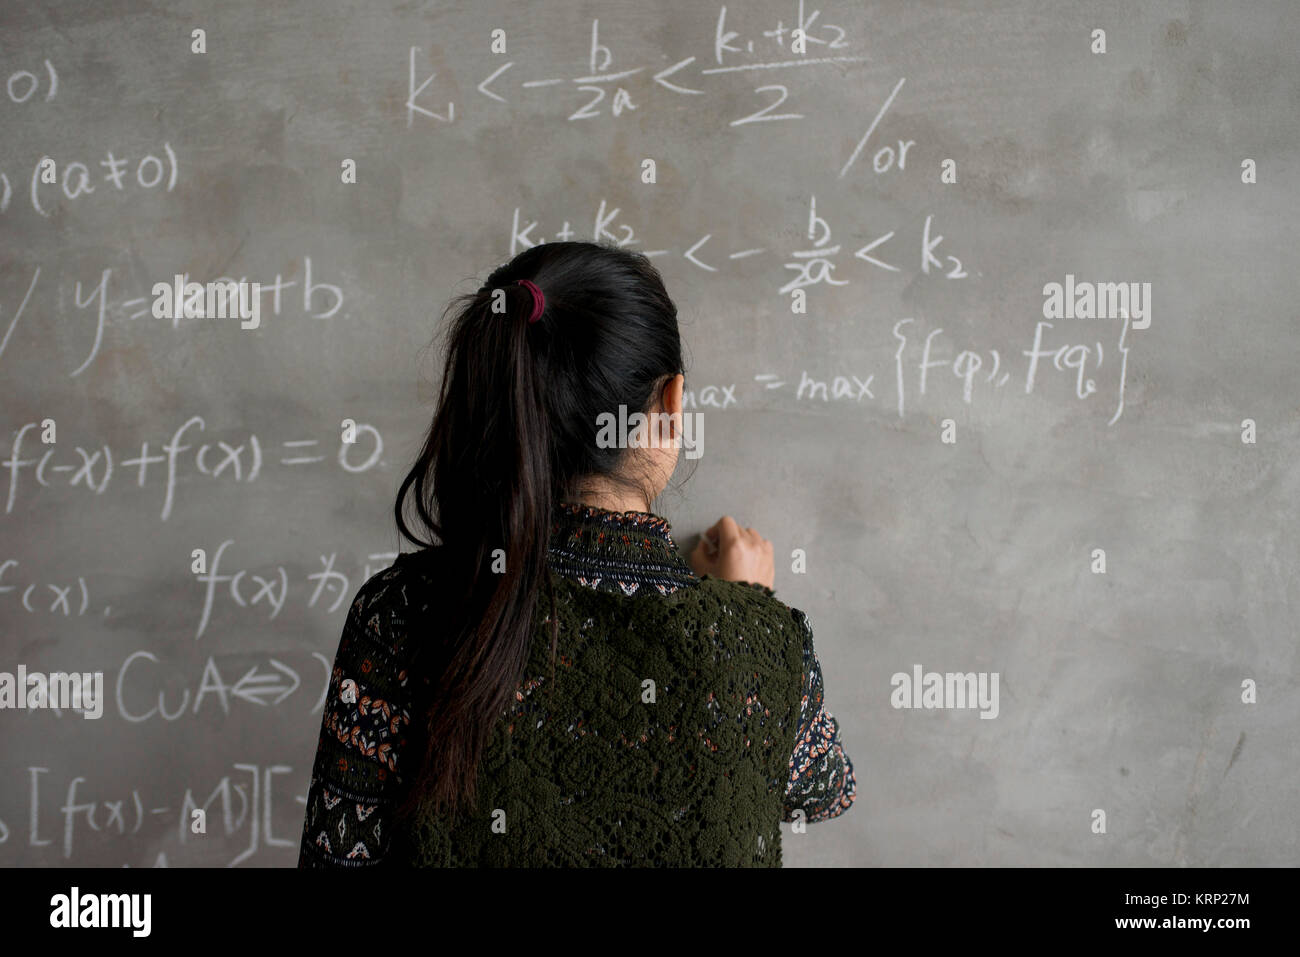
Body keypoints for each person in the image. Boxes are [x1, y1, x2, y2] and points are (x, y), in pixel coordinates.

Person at [298, 240, 854, 867]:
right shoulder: (760, 643)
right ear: (671, 405)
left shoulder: (401, 616)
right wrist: (741, 612)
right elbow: (826, 789)